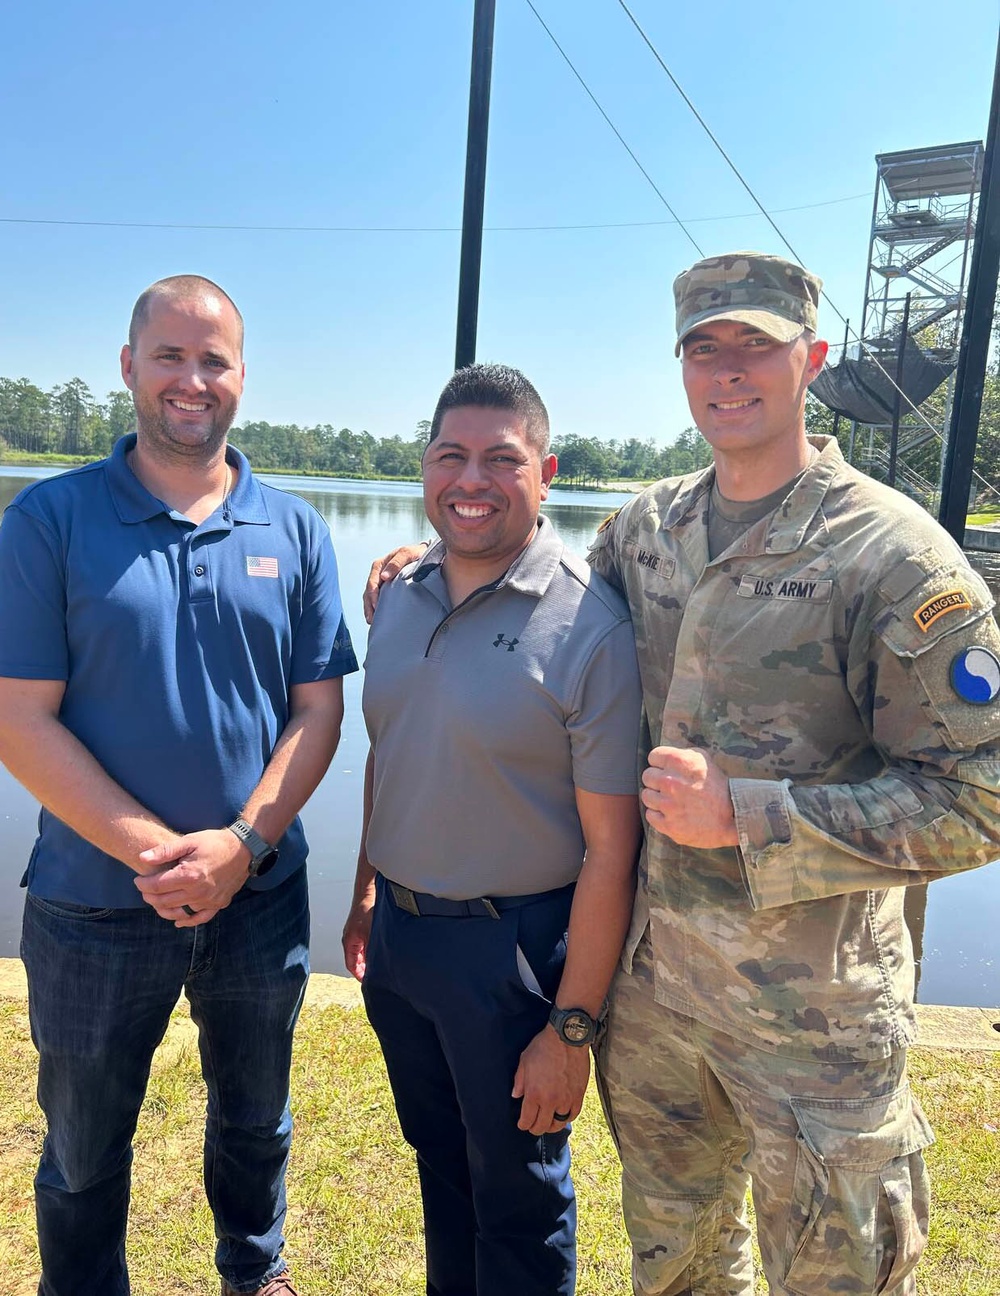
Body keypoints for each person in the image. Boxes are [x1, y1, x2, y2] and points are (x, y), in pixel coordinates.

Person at [364, 254, 1000, 1296]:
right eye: (705, 347)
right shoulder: (645, 530)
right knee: (681, 1271)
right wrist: (422, 563)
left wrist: (752, 817)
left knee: (836, 1280)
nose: (728, 370)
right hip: (657, 1003)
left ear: (815, 360)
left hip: (814, 1022)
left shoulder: (893, 555)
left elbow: (979, 793)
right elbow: (530, 594)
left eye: (757, 345)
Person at [0, 274, 358, 1296]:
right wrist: (159, 854)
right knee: (81, 1145)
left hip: (258, 896)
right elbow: (17, 716)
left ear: (241, 377)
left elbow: (318, 712)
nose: (191, 380)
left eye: (214, 360)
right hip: (94, 900)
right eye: (169, 355)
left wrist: (241, 846)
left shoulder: (291, 529)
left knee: (256, 1118)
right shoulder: (50, 521)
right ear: (129, 366)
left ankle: (254, 1271)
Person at [343, 362, 642, 1296]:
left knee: (519, 1200)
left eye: (500, 460)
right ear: (423, 467)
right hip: (400, 939)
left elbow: (612, 851)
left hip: (512, 955)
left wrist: (572, 1028)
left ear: (546, 473)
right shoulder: (400, 594)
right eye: (450, 456)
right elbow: (389, 751)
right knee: (442, 1169)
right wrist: (363, 893)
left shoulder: (590, 625)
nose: (470, 480)